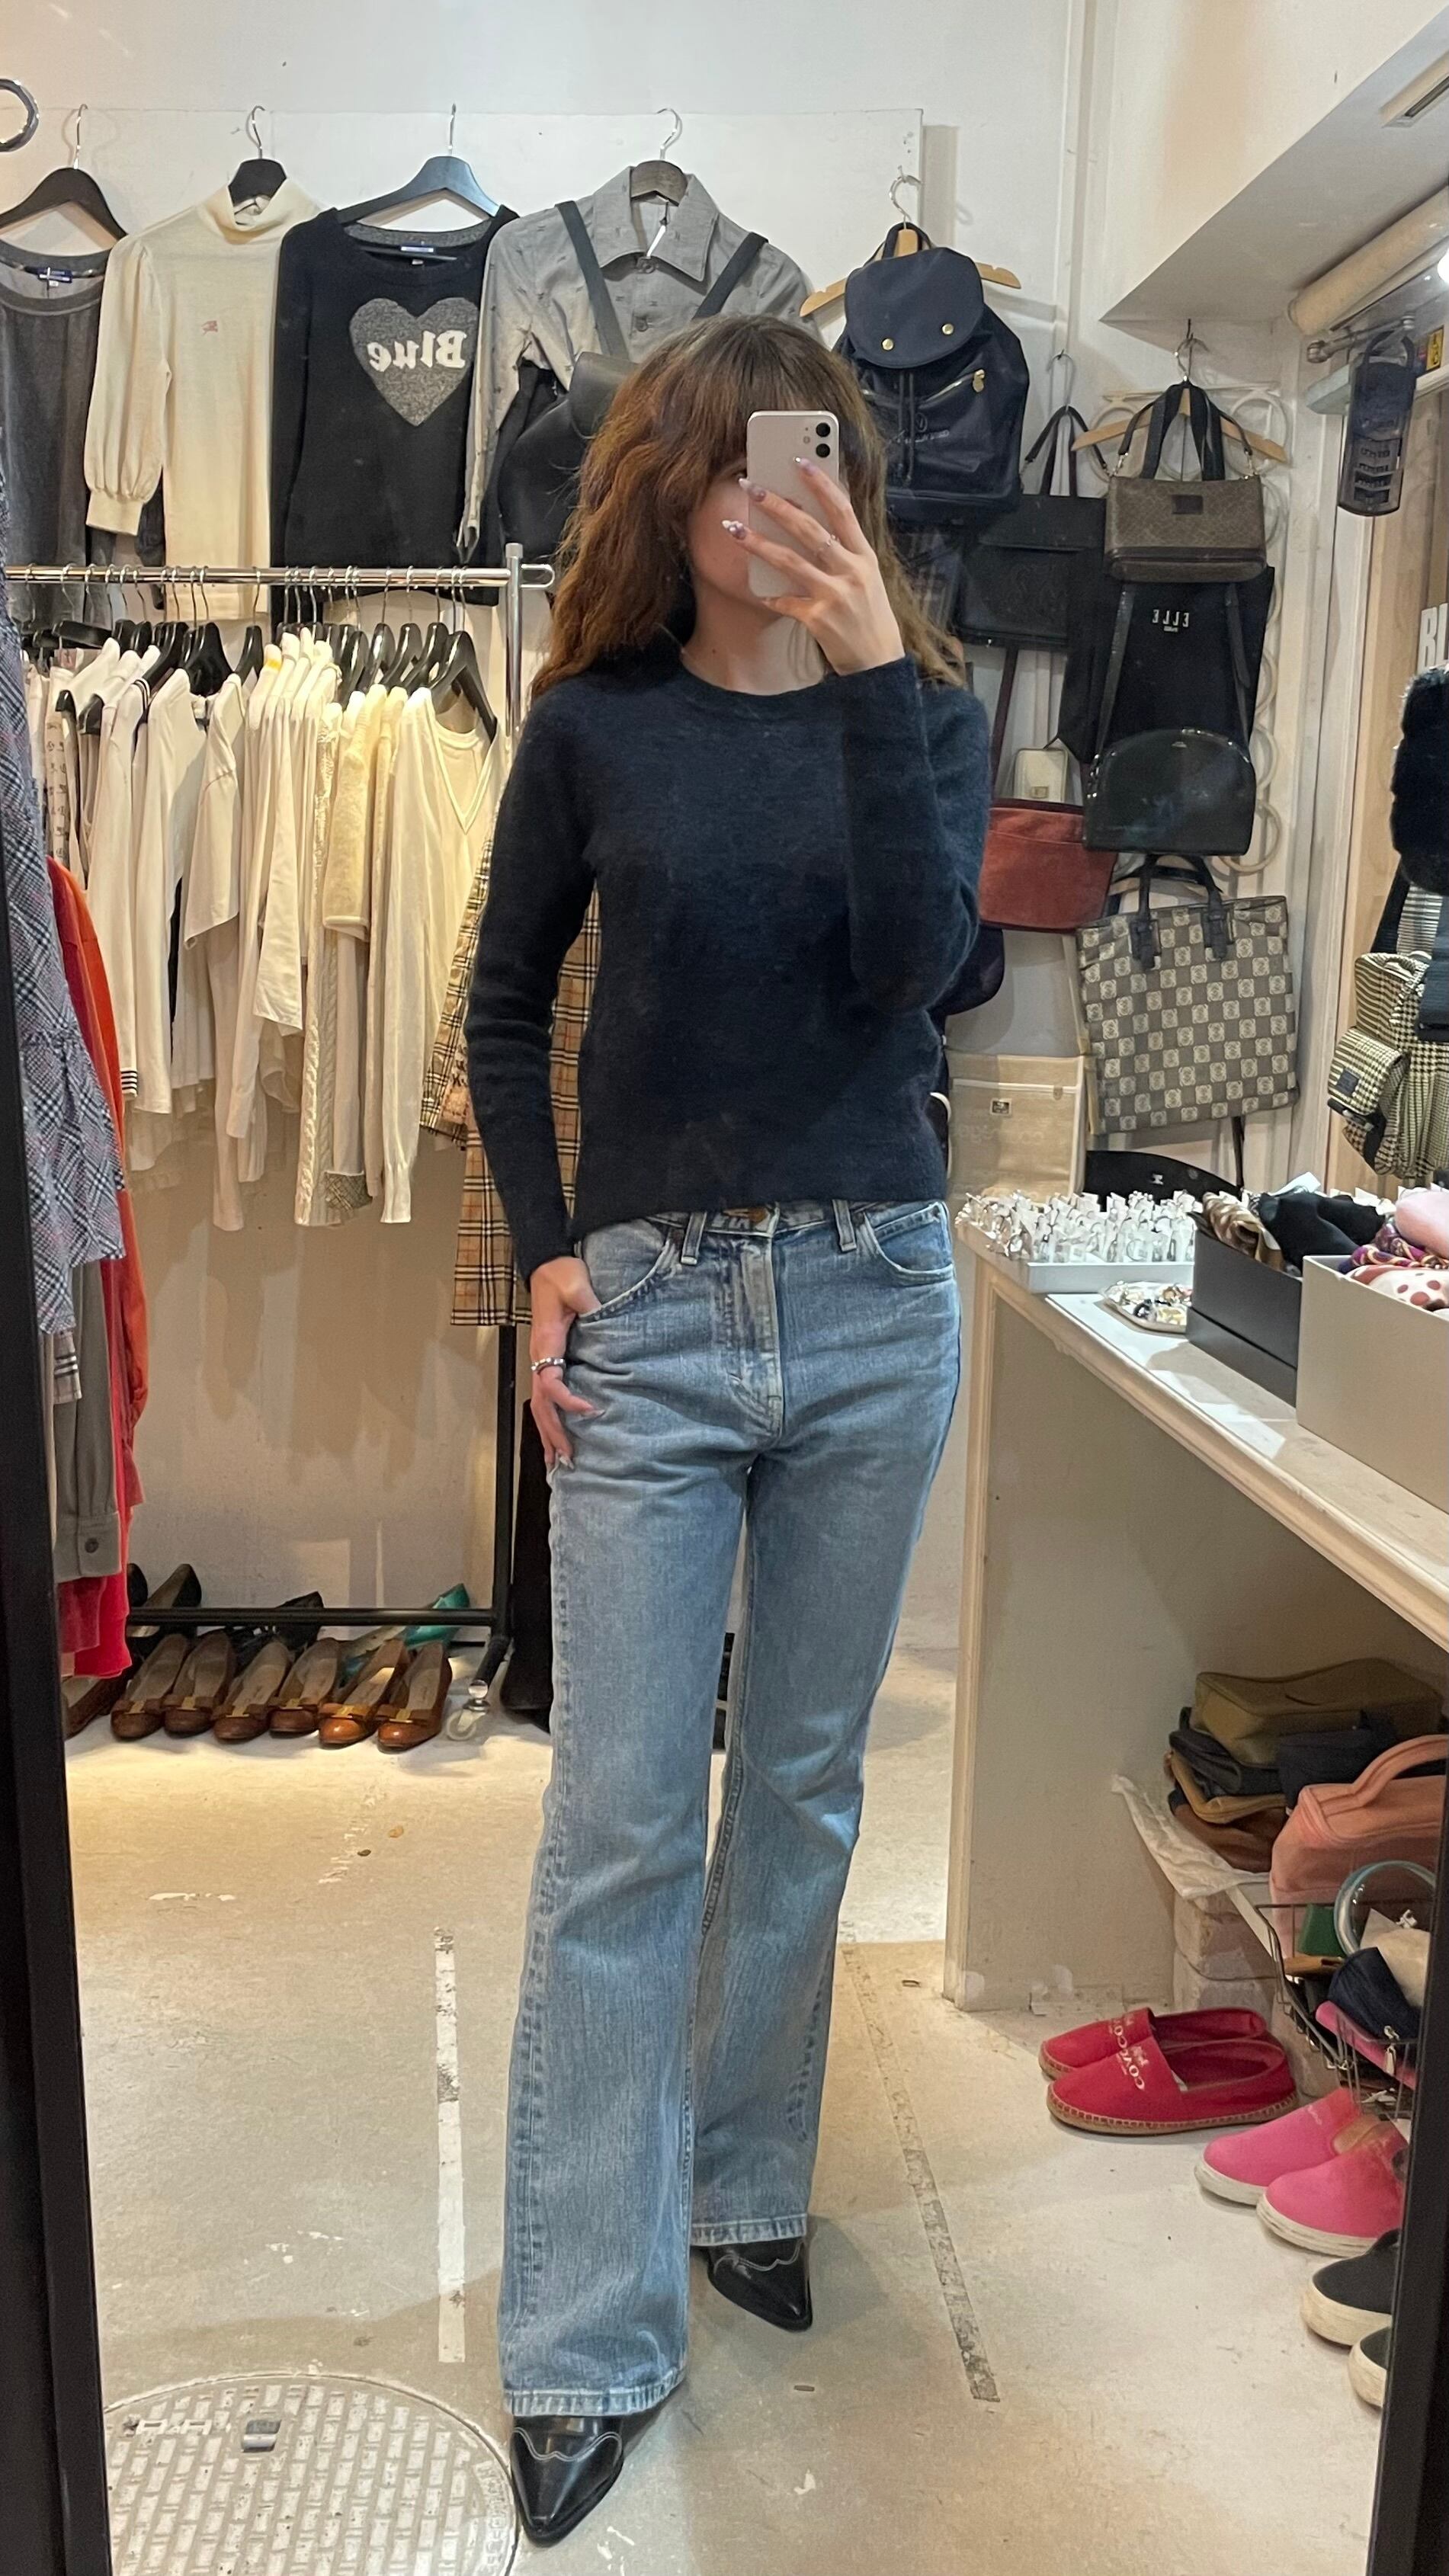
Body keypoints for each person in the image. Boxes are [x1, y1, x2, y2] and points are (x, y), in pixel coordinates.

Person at [466, 312, 987, 2548]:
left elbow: (920, 970)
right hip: (657, 1319)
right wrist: (545, 1251)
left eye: (820, 463)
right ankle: (585, 2335)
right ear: (672, 486)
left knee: (798, 1782)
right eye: (744, 465)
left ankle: (747, 2184)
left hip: (874, 1299)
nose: (780, 499)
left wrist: (873, 680)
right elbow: (504, 1003)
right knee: (616, 1824)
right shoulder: (593, 726)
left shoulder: (926, 717)